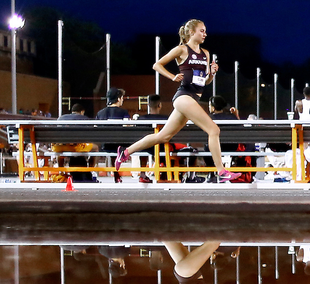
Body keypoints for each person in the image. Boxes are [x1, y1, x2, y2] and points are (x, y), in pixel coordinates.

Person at [115, 19, 241, 181]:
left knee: (163, 137)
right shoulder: (182, 50)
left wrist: (212, 74)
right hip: (183, 97)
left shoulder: (206, 54)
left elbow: (204, 82)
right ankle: (222, 171)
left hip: (193, 98)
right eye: (201, 31)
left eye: (205, 31)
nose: (205, 34)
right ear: (191, 32)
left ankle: (124, 153)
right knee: (213, 130)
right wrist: (172, 76)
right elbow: (157, 65)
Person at [96, 88, 131, 182]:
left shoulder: (100, 113)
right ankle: (141, 173)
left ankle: (116, 173)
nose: (123, 100)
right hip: (120, 145)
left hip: (105, 145)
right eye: (122, 98)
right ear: (119, 99)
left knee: (113, 145)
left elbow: (96, 128)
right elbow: (127, 125)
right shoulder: (123, 112)